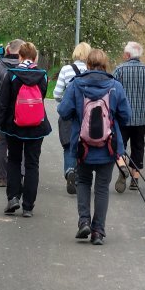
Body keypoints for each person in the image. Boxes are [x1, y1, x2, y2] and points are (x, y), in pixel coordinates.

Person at [57, 48, 131, 245]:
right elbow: (126, 116)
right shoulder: (115, 86)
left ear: (87, 65)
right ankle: (98, 231)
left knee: (83, 182)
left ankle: (84, 222)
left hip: (82, 147)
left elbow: (63, 111)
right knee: (102, 188)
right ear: (105, 65)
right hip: (109, 147)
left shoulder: (76, 85)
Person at [0, 41, 51, 217]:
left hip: (14, 126)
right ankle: (28, 207)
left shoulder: (12, 75)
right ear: (35, 57)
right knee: (32, 164)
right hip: (37, 126)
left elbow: (2, 105)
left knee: (14, 161)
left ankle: (13, 198)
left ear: (19, 56)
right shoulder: (43, 76)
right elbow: (42, 98)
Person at [112, 41, 145, 192]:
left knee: (119, 145)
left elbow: (111, 91)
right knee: (138, 146)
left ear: (128, 55)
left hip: (122, 117)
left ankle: (122, 168)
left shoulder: (119, 70)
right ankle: (135, 179)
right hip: (142, 117)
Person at [53, 41, 91, 194]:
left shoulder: (66, 69)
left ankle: (70, 171)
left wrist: (66, 101)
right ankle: (82, 177)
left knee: (69, 145)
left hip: (69, 115)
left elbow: (56, 94)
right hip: (88, 115)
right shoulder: (91, 70)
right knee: (87, 145)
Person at [0, 38, 23, 186]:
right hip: (23, 111)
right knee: (22, 143)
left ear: (8, 50)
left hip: (1, 110)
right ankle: (20, 173)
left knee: (1, 143)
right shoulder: (26, 66)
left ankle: (3, 177)